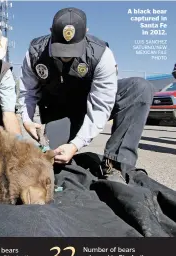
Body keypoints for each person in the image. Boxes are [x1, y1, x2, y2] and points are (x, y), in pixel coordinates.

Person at [18, 7, 154, 182]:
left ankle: (115, 164)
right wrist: (27, 121)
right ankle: (57, 141)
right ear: (51, 32)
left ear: (86, 34)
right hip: (59, 114)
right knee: (55, 160)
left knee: (139, 88)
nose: (66, 57)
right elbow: (27, 92)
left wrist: (75, 145)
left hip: (88, 106)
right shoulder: (34, 53)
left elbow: (101, 105)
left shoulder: (101, 54)